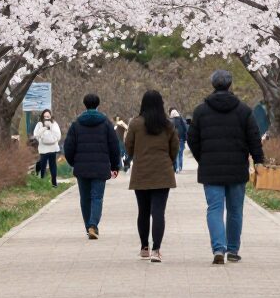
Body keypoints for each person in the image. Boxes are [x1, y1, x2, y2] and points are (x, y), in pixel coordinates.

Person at [189, 68, 264, 265]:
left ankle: (218, 249)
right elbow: (254, 138)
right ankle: (232, 249)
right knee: (235, 210)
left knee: (214, 208)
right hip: (237, 168)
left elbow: (192, 140)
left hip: (211, 168)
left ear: (213, 84)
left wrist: (202, 158)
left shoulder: (200, 111)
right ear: (230, 85)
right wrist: (258, 160)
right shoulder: (244, 110)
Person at [126, 89, 179, 262]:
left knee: (143, 211)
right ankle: (156, 250)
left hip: (141, 171)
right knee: (158, 212)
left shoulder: (135, 124)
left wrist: (138, 156)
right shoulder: (168, 125)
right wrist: (167, 161)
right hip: (162, 172)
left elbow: (129, 147)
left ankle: (144, 248)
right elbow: (175, 148)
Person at [63, 92, 122, 238]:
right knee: (97, 197)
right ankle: (93, 226)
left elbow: (68, 147)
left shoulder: (76, 124)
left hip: (82, 167)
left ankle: (88, 226)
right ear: (98, 104)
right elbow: (114, 145)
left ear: (84, 104)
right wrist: (115, 166)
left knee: (85, 198)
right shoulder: (106, 123)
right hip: (101, 167)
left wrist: (73, 162)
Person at [31, 108, 63, 187]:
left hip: (52, 148)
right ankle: (43, 181)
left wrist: (50, 127)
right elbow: (36, 134)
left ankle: (54, 182)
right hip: (43, 148)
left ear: (51, 116)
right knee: (43, 165)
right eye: (45, 116)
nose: (46, 118)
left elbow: (58, 135)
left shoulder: (54, 124)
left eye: (48, 116)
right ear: (42, 116)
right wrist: (44, 128)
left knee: (52, 165)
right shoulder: (39, 124)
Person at [169, 107, 187, 172]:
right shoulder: (181, 120)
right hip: (181, 139)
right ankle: (180, 167)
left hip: (173, 140)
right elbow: (185, 129)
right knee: (181, 154)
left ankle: (176, 168)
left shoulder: (170, 121)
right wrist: (185, 139)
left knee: (175, 154)